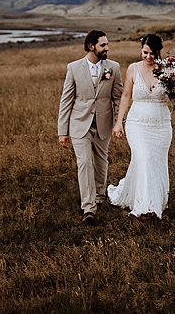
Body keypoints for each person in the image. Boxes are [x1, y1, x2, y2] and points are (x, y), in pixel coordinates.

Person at [58, 30, 124, 225]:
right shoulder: (74, 68)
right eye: (103, 45)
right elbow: (66, 100)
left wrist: (119, 122)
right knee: (84, 163)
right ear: (91, 46)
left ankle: (100, 197)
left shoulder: (113, 67)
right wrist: (63, 131)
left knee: (102, 162)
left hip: (104, 123)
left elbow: (118, 97)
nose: (107, 48)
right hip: (80, 125)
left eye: (107, 44)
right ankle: (88, 208)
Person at [108, 33, 172, 221]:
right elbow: (126, 95)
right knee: (144, 157)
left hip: (161, 125)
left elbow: (174, 97)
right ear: (141, 50)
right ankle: (145, 208)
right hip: (137, 124)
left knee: (155, 162)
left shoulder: (167, 70)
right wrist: (119, 122)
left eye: (152, 53)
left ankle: (155, 200)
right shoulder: (133, 69)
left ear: (159, 52)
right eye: (145, 52)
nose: (148, 56)